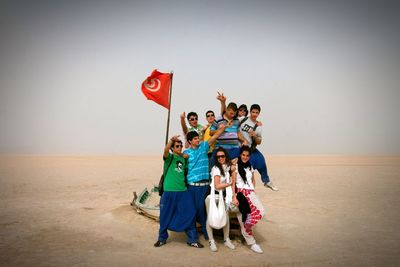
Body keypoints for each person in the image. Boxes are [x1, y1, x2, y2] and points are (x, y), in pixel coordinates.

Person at [154, 136, 204, 248]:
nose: (180, 147)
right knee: (165, 215)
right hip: (169, 191)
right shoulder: (169, 158)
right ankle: (162, 239)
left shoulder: (183, 159)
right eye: (177, 146)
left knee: (190, 213)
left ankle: (192, 239)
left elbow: (187, 159)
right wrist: (171, 140)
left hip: (182, 191)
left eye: (181, 146)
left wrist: (182, 155)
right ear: (172, 148)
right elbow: (165, 151)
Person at [184, 124, 227, 241]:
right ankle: (197, 234)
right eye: (195, 139)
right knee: (195, 210)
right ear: (189, 141)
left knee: (204, 210)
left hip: (205, 186)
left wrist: (222, 128)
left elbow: (215, 136)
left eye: (198, 138)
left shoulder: (204, 146)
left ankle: (206, 233)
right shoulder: (186, 153)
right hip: (193, 186)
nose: (198, 140)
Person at [239, 104, 278, 191]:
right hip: (240, 148)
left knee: (261, 161)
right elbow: (233, 124)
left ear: (259, 113)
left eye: (257, 112)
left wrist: (255, 136)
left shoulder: (258, 126)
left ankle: (266, 181)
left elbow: (259, 142)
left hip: (251, 149)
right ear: (250, 111)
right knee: (248, 169)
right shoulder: (243, 119)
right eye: (253, 112)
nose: (254, 114)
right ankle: (246, 187)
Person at [234, 145, 265, 253]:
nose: (245, 157)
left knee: (261, 212)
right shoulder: (235, 166)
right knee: (244, 216)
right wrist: (234, 196)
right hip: (241, 193)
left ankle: (246, 229)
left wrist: (252, 190)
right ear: (240, 155)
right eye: (243, 155)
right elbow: (232, 183)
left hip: (251, 192)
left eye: (247, 155)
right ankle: (252, 243)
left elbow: (252, 179)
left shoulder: (250, 166)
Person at [205, 147, 236, 252]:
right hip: (213, 196)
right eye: (218, 157)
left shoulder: (226, 168)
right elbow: (217, 186)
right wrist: (229, 183)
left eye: (222, 156)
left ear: (225, 156)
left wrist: (233, 164)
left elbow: (233, 164)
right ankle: (211, 241)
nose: (220, 158)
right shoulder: (216, 169)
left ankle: (226, 239)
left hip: (223, 197)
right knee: (210, 218)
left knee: (226, 217)